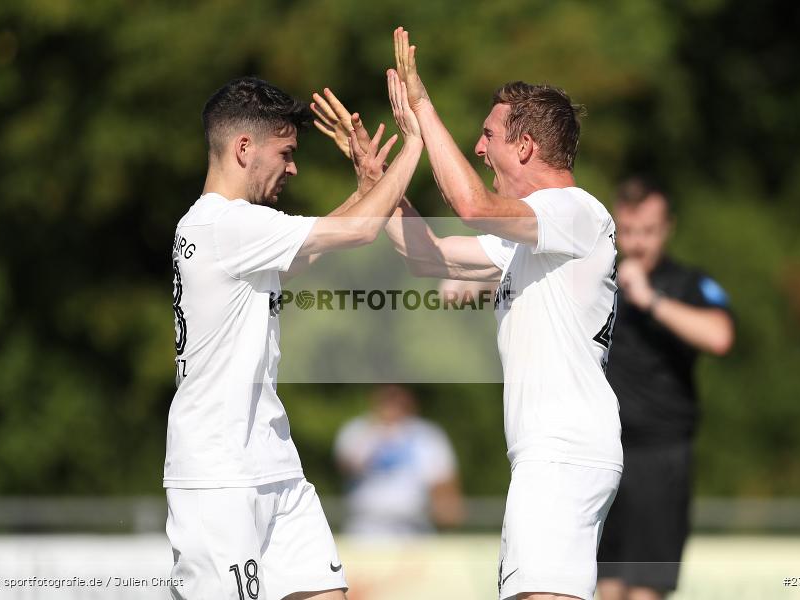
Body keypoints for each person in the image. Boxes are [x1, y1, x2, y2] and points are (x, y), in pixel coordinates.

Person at [312, 28, 622, 600]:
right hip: (548, 453)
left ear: (525, 146)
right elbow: (427, 257)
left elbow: (472, 205)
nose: (480, 149)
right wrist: (380, 182)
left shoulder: (572, 210)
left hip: (562, 450)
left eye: (488, 135)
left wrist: (423, 112)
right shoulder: (534, 236)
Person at [164, 73, 423, 600]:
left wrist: (369, 187)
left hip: (272, 462)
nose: (293, 166)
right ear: (243, 148)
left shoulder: (235, 230)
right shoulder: (223, 225)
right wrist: (415, 141)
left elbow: (312, 248)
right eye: (285, 152)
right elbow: (358, 232)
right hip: (219, 475)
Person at [596, 178, 735, 600]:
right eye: (629, 231)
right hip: (603, 453)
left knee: (646, 592)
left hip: (661, 456)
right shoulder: (597, 280)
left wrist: (650, 300)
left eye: (648, 231)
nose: (637, 244)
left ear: (667, 228)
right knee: (605, 587)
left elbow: (719, 336)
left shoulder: (688, 282)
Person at [334, 384, 464, 538]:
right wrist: (379, 433)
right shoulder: (356, 430)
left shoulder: (428, 435)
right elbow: (346, 466)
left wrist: (448, 518)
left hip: (414, 529)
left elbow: (444, 486)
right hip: (365, 530)